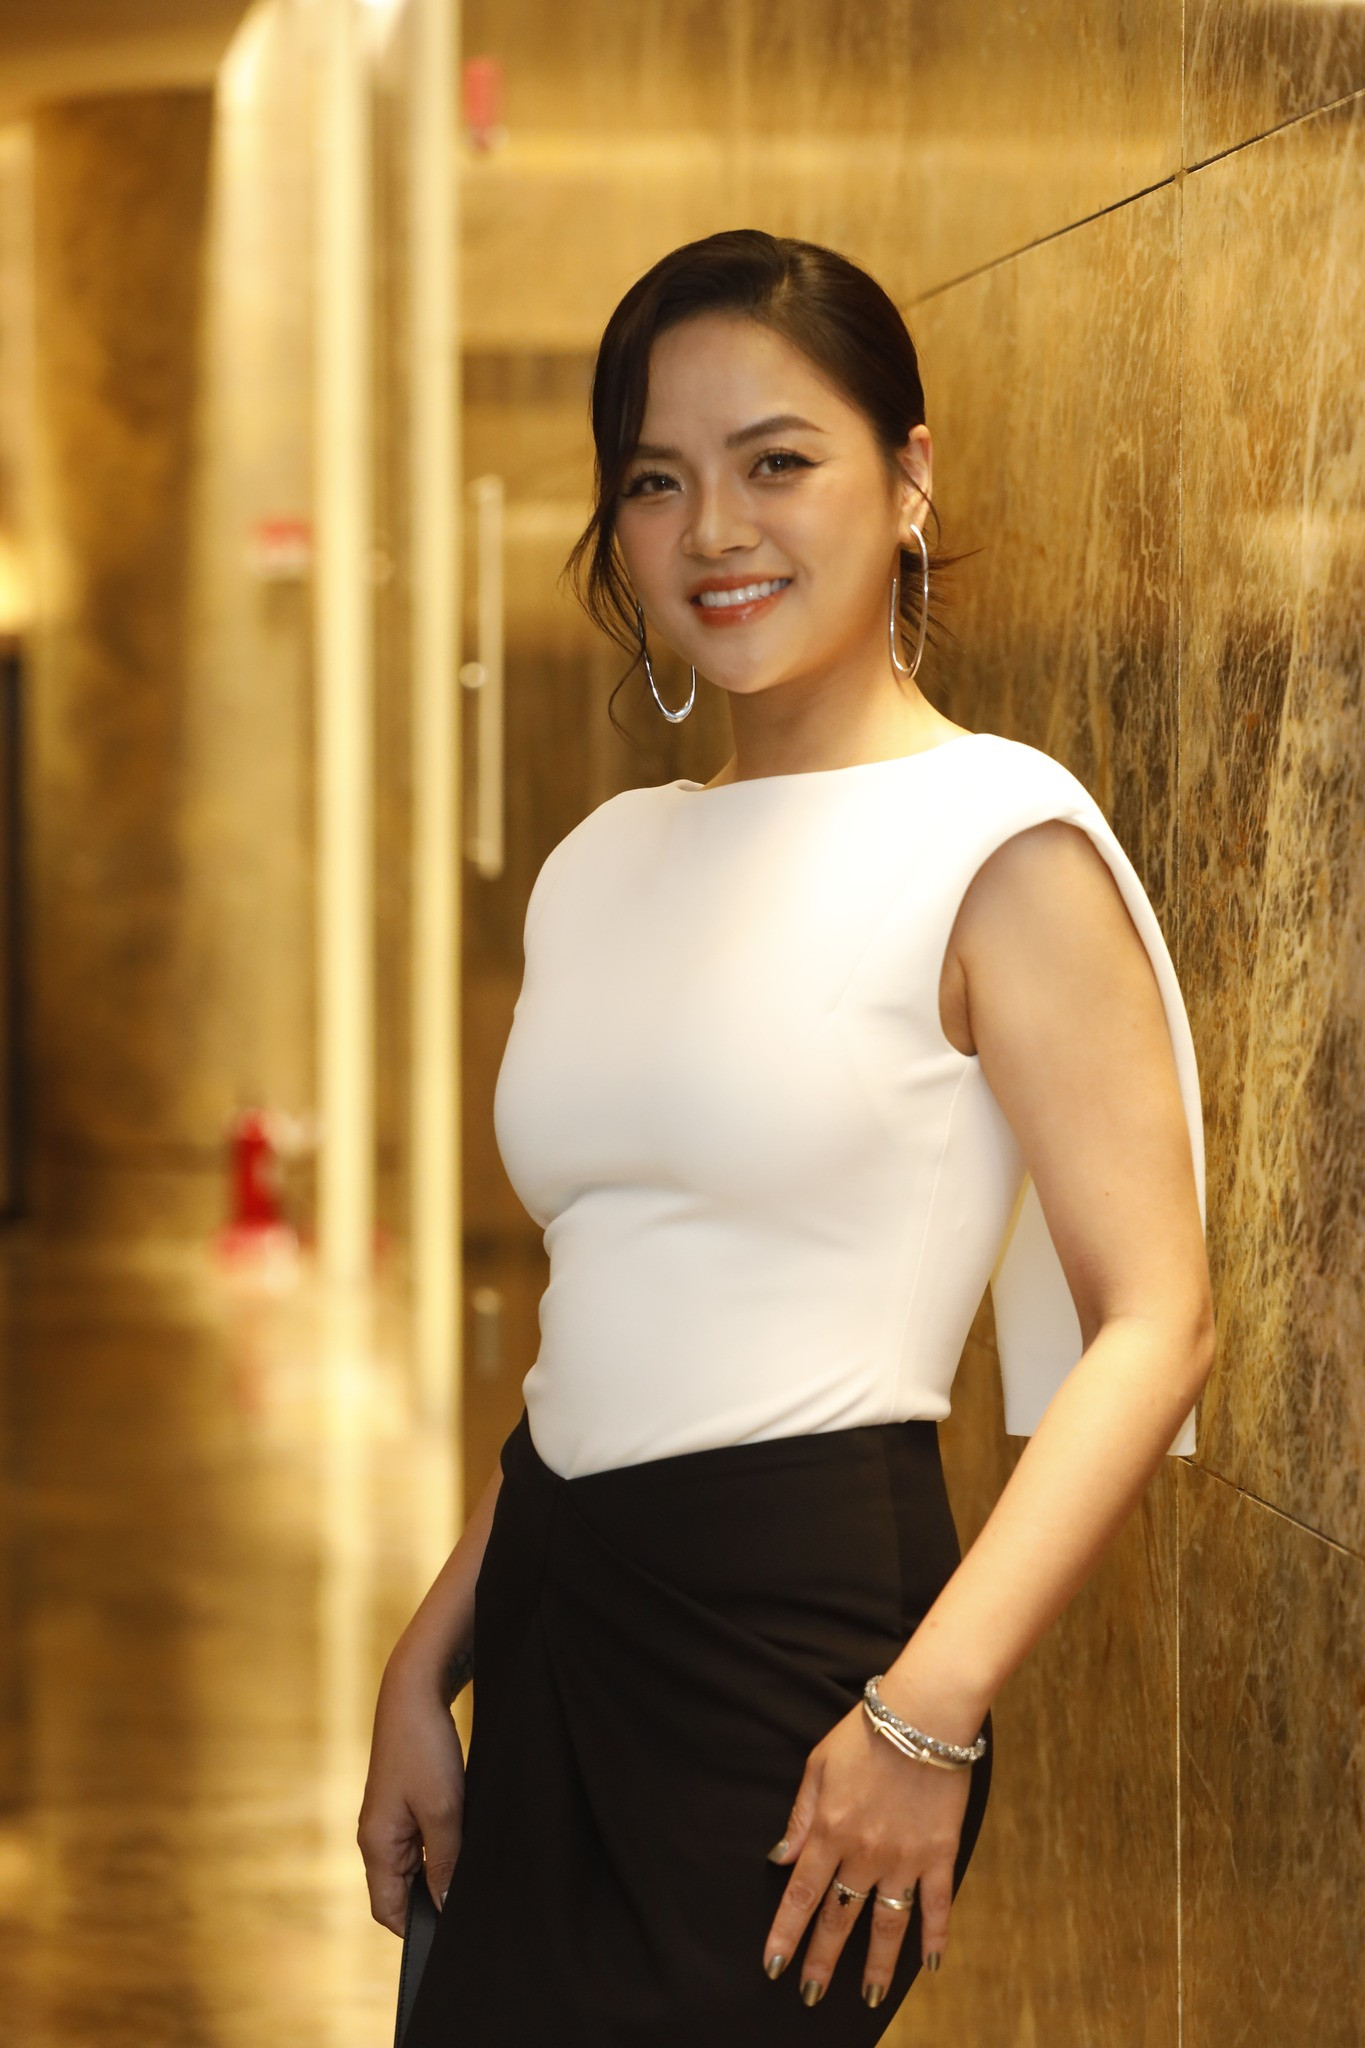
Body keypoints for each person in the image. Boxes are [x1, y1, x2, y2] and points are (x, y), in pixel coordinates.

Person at [359, 229, 1214, 2046]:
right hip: (554, 1610)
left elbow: (1156, 1322)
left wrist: (928, 1714)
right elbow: (610, 1313)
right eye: (655, 481)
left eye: (776, 461)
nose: (713, 531)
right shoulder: (602, 863)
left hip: (798, 1657)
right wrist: (429, 1654)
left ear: (907, 478)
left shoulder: (998, 840)